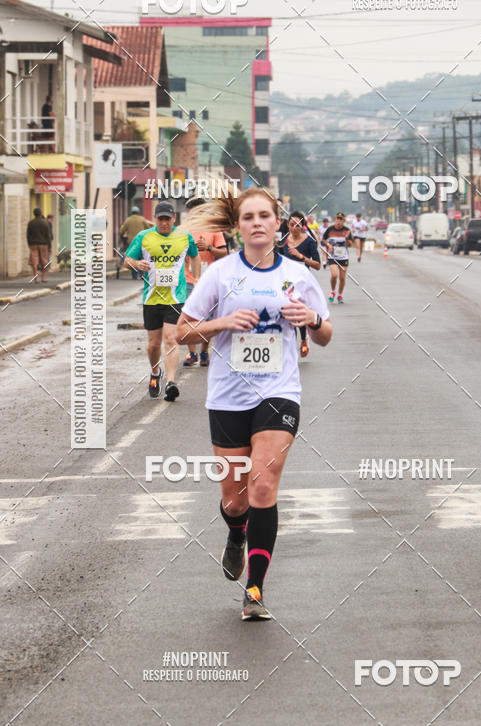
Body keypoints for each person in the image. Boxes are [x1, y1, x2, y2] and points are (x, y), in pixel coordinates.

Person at [176, 186, 332, 620]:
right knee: (236, 498)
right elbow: (182, 332)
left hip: (278, 392)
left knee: (263, 483)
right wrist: (223, 321)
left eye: (266, 216)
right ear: (239, 226)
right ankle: (235, 532)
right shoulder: (221, 274)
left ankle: (256, 590)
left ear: (278, 223)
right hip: (227, 397)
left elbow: (325, 335)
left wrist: (312, 320)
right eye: (249, 217)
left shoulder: (299, 275)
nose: (258, 223)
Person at [125, 201, 200, 402]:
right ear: (155, 219)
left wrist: (197, 277)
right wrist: (136, 263)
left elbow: (195, 256)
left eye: (168, 219)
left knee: (170, 339)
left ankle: (171, 382)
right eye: (161, 219)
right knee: (153, 345)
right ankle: (155, 372)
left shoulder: (184, 237)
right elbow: (126, 260)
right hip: (151, 298)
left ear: (174, 218)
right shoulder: (144, 237)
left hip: (176, 298)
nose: (164, 223)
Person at [182, 197, 227, 367]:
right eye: (193, 211)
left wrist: (208, 248)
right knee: (188, 316)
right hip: (186, 278)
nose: (196, 214)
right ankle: (192, 353)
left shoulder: (214, 230)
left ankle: (204, 351)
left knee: (207, 318)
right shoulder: (181, 230)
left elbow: (224, 253)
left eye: (199, 210)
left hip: (209, 279)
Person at [282, 210, 321, 357]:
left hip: (302, 281)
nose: (294, 228)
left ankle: (304, 339)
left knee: (298, 312)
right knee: (285, 312)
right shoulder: (282, 241)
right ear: (288, 225)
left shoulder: (309, 242)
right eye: (292, 225)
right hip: (286, 281)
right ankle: (289, 346)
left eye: (298, 225)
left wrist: (300, 256)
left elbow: (317, 264)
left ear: (303, 226)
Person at [322, 212, 353, 303]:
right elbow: (323, 239)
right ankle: (332, 291)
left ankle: (340, 294)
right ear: (335, 220)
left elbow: (350, 245)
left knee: (342, 278)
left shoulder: (347, 230)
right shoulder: (330, 229)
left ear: (343, 221)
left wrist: (347, 238)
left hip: (343, 257)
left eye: (341, 219)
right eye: (337, 219)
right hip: (333, 257)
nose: (339, 221)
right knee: (334, 275)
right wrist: (328, 245)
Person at [120, 207, 152, 279]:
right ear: (138, 212)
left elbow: (122, 231)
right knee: (142, 256)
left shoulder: (128, 220)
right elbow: (148, 229)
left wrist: (122, 235)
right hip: (142, 241)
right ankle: (141, 273)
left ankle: (134, 275)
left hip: (131, 242)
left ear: (131, 212)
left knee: (132, 257)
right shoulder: (142, 219)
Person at [26, 208, 52, 283]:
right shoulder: (45, 223)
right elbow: (48, 236)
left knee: (34, 261)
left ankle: (36, 278)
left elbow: (28, 235)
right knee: (44, 260)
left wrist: (29, 244)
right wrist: (49, 246)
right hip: (43, 244)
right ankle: (43, 277)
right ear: (41, 213)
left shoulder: (31, 223)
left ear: (34, 214)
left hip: (33, 244)